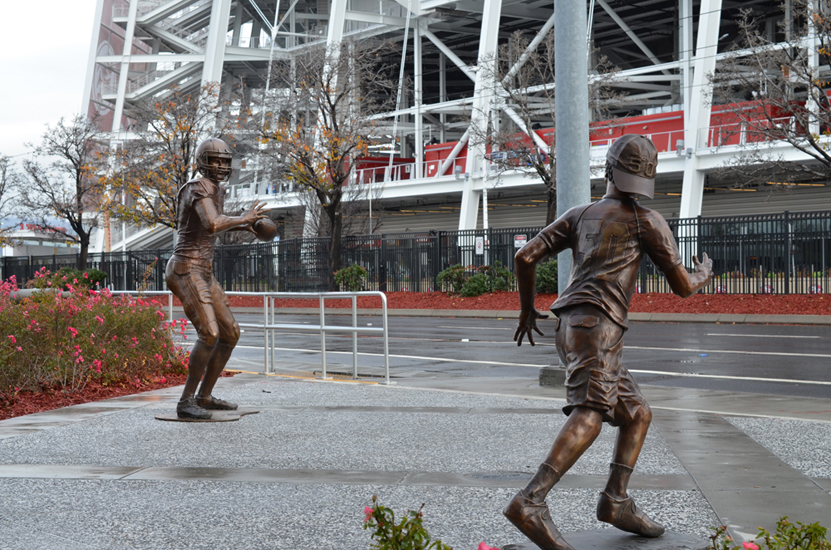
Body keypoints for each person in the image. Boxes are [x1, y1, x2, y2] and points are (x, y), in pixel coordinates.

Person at [504, 134, 713, 550]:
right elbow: (684, 287)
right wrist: (704, 273)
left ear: (609, 172)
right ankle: (530, 501)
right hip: (597, 331)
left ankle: (615, 501)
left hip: (572, 328)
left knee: (636, 413)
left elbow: (525, 256)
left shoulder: (580, 214)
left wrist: (528, 309)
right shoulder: (646, 220)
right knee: (591, 414)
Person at [165, 138, 268, 419]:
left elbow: (213, 226)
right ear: (203, 162)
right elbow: (212, 223)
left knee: (230, 333)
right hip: (186, 269)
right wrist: (243, 218)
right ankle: (186, 402)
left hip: (204, 272)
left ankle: (205, 396)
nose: (221, 166)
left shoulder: (216, 190)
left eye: (224, 161)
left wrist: (247, 225)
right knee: (209, 333)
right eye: (215, 160)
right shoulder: (197, 188)